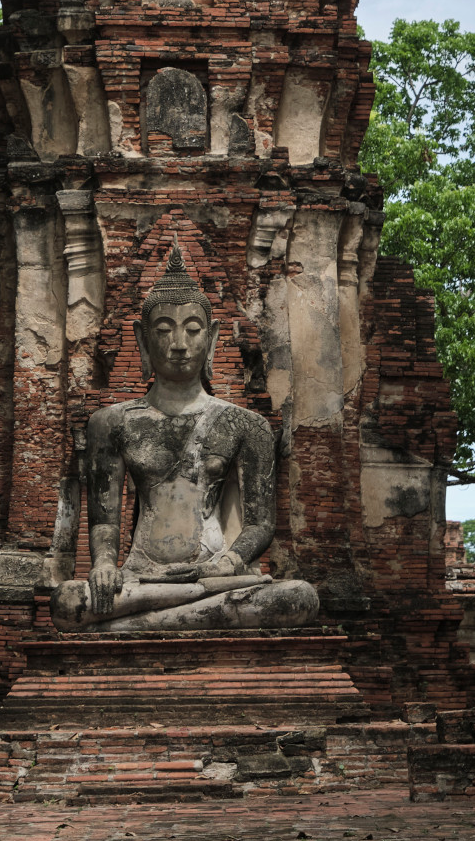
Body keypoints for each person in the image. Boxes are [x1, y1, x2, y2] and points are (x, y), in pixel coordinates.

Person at [49, 246, 318, 632]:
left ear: (211, 339)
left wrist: (229, 561)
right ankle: (182, 614)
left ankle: (137, 625)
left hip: (214, 574)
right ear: (143, 340)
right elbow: (104, 522)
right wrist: (105, 565)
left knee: (299, 597)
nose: (178, 343)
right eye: (163, 330)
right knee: (68, 601)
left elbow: (260, 525)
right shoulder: (110, 423)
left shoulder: (247, 425)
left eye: (192, 330)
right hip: (142, 576)